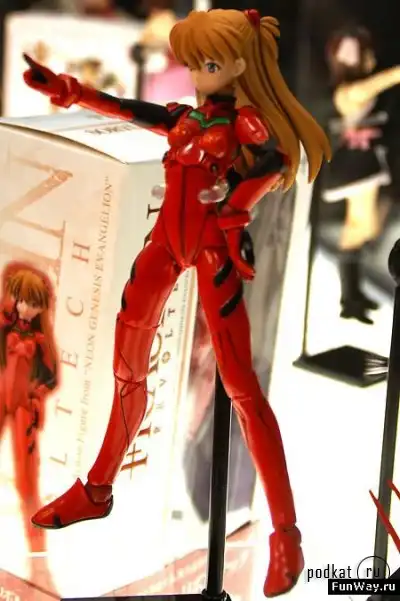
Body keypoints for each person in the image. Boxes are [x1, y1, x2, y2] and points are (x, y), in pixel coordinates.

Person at [22, 8, 331, 597]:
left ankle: (285, 535)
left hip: (212, 252)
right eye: (193, 63)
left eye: (208, 63)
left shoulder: (246, 125)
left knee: (241, 388)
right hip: (165, 243)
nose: (197, 74)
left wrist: (235, 206)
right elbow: (130, 110)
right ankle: (98, 488)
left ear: (238, 64)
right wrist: (72, 92)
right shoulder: (186, 118)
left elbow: (273, 163)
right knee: (127, 367)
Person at [323, 27, 400, 324]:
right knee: (359, 225)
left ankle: (351, 295)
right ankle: (350, 296)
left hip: (363, 160)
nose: (371, 59)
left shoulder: (352, 90)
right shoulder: (350, 92)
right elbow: (383, 81)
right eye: (366, 55)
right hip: (356, 164)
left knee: (363, 225)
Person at [0, 262, 58, 581]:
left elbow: (51, 377)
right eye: (23, 300)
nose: (26, 308)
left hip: (24, 407)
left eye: (33, 304)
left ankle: (37, 554)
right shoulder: (4, 326)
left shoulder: (39, 340)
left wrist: (37, 397)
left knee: (27, 481)